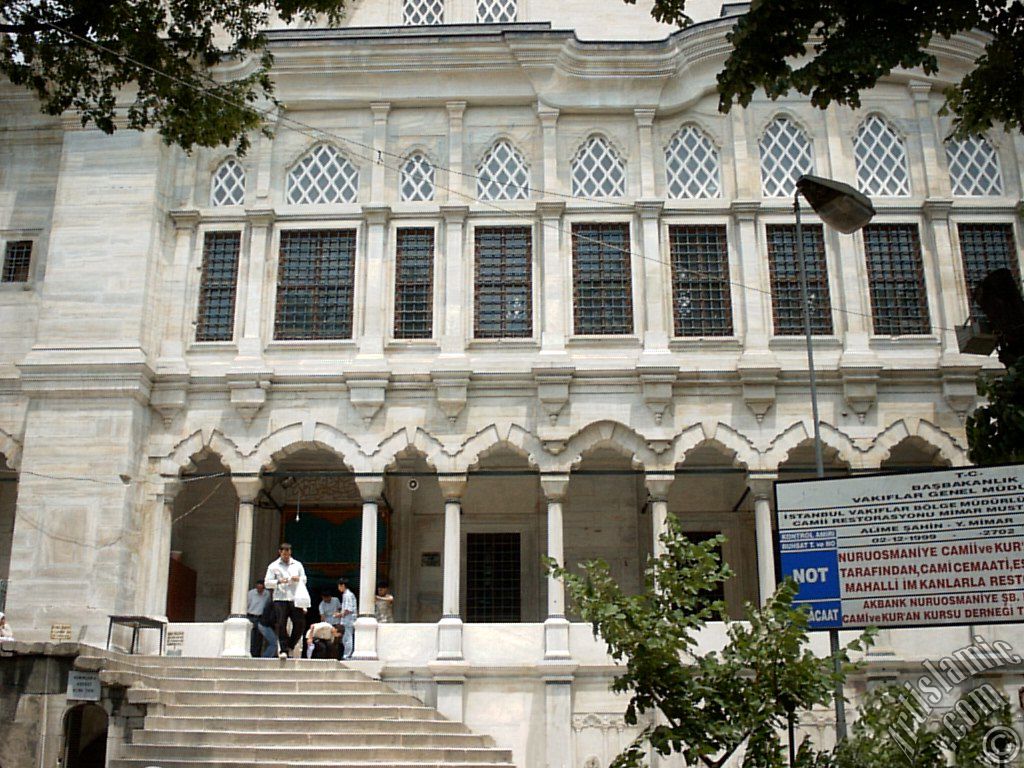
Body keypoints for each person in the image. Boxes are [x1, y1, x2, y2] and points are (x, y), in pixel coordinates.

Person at [264, 543, 309, 660]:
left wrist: (298, 579)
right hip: (280, 597)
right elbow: (267, 582)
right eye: (284, 553)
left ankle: (290, 645)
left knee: (300, 623)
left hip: (294, 598)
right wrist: (279, 581)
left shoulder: (297, 565)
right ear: (280, 552)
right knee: (281, 623)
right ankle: (283, 649)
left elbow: (304, 579)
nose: (286, 556)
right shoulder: (273, 566)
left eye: (288, 553)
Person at [246, 579, 272, 657]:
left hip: (261, 618)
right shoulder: (251, 593)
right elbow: (247, 604)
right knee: (251, 636)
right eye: (258, 588)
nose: (259, 590)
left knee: (259, 637)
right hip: (251, 616)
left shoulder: (266, 594)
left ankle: (256, 654)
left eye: (261, 588)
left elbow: (268, 604)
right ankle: (249, 652)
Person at [335, 578, 357, 659]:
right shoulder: (346, 594)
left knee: (348, 638)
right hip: (347, 620)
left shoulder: (347, 595)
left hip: (349, 620)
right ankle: (347, 654)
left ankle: (347, 655)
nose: (338, 588)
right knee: (345, 639)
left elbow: (348, 609)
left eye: (339, 586)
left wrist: (339, 615)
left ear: (342, 585)